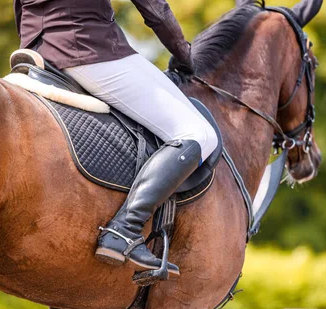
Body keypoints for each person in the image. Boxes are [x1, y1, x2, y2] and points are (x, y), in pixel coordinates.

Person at [13, 0, 218, 277]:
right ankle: (126, 229)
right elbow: (154, 8)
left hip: (34, 53)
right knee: (199, 134)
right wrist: (184, 54)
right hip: (88, 48)